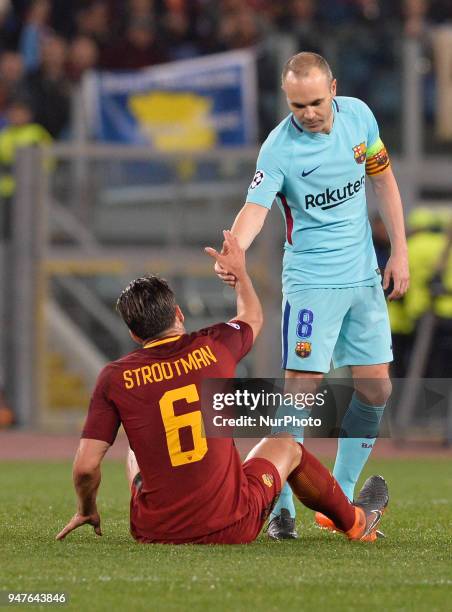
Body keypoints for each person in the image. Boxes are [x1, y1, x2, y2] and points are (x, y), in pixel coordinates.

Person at [56, 232, 388, 544]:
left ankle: (280, 514)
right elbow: (253, 317)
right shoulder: (216, 345)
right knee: (287, 446)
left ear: (133, 334)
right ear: (179, 314)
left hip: (153, 531)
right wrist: (240, 274)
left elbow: (86, 466)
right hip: (231, 524)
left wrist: (87, 509)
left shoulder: (114, 377)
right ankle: (355, 521)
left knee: (133, 452)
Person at [215, 52, 408, 539]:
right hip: (311, 285)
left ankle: (335, 499)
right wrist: (234, 249)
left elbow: (384, 181)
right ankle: (280, 505)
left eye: (317, 102)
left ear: (334, 89)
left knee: (376, 388)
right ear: (287, 100)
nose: (309, 113)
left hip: (363, 279)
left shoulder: (360, 117)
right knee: (300, 396)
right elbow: (255, 208)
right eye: (298, 104)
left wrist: (399, 252)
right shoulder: (279, 149)